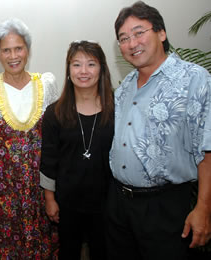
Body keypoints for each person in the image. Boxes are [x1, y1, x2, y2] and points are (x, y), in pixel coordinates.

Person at [108, 1, 211, 259]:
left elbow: (207, 149)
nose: (132, 43)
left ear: (161, 33)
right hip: (119, 203)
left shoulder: (193, 79)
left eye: (139, 32)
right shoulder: (124, 88)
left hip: (164, 206)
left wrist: (204, 209)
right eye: (124, 38)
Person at [0, 18, 60, 259]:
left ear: (28, 50)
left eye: (18, 48)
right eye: (6, 50)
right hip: (0, 189)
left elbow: (55, 136)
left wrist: (54, 187)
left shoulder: (47, 84)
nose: (13, 55)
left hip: (38, 187)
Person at [40, 40, 114, 259]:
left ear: (101, 70)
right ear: (68, 70)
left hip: (107, 203)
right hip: (67, 203)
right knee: (68, 252)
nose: (83, 71)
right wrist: (49, 199)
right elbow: (49, 159)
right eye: (76, 64)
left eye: (91, 64)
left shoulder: (115, 110)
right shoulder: (55, 112)